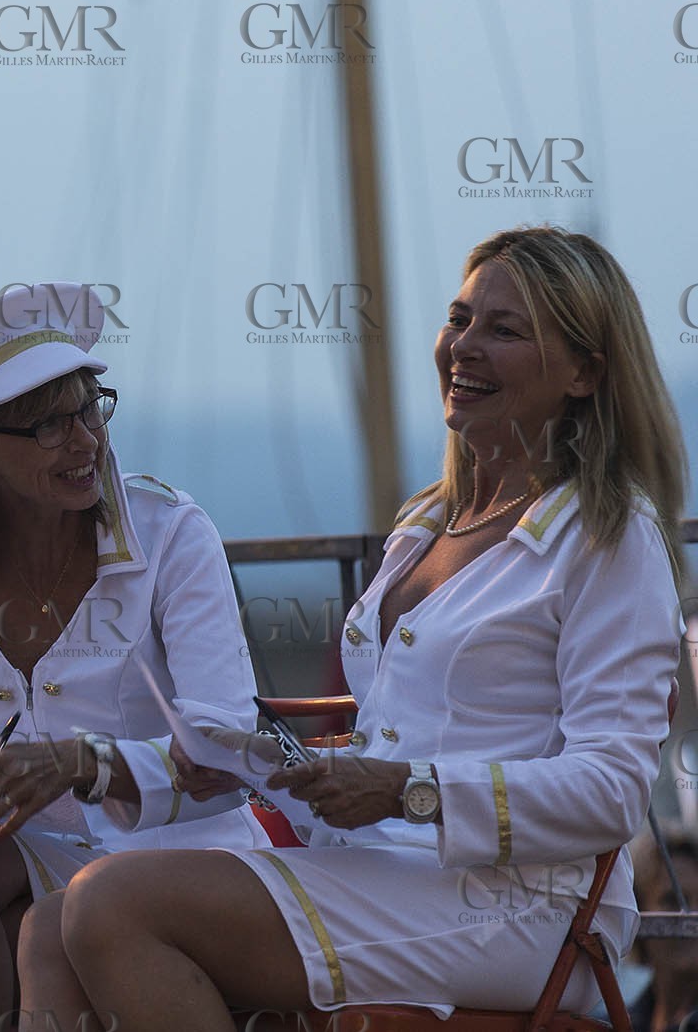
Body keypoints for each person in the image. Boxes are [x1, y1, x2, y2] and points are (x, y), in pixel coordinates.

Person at [44, 226, 686, 1027]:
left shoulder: (609, 538)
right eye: (459, 319)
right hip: (385, 870)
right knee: (50, 929)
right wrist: (265, 766)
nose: (464, 346)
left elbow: (612, 791)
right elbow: (405, 735)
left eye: (504, 329)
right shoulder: (427, 524)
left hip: (515, 906)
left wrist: (404, 790)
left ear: (586, 373)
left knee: (111, 904)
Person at [0, 282, 267, 1032]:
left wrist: (85, 763)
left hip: (178, 858)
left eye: (89, 408)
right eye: (47, 425)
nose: (85, 442)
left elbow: (228, 752)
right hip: (30, 864)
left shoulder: (172, 533)